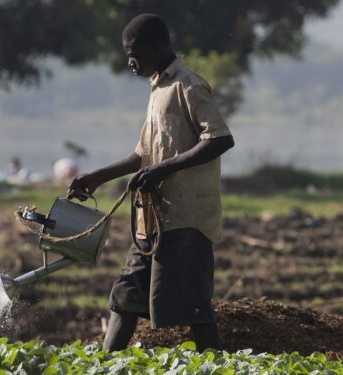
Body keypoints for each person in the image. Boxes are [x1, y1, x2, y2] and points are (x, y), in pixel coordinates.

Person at [67, 14, 235, 352]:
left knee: (194, 303)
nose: (130, 61)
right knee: (126, 294)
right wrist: (96, 177)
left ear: (157, 47)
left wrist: (163, 169)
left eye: (135, 53)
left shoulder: (188, 85)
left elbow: (219, 139)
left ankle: (218, 364)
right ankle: (103, 364)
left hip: (186, 219)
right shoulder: (158, 88)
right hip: (152, 220)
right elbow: (143, 155)